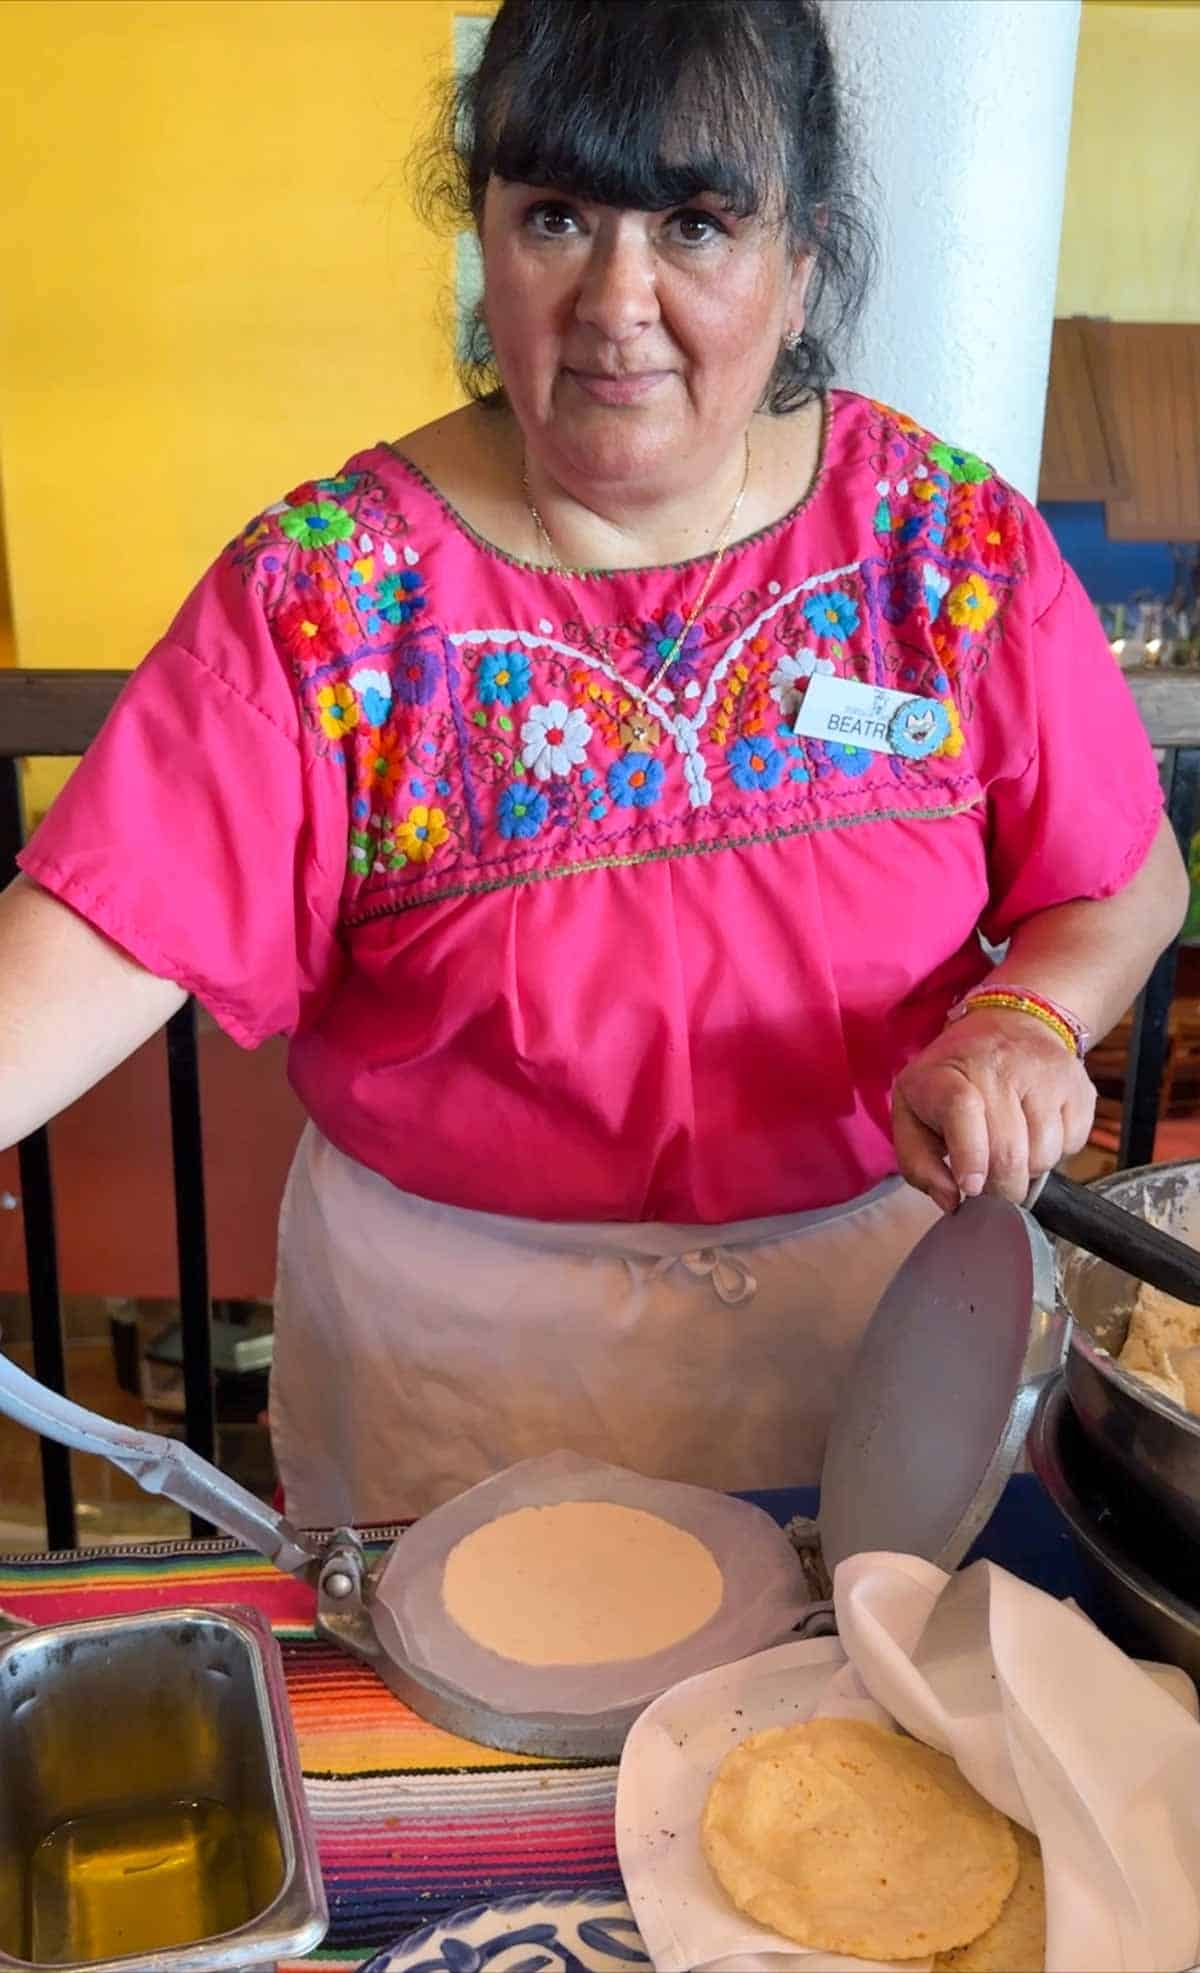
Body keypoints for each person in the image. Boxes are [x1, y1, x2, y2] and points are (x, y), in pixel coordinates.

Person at [0, 0, 1187, 1526]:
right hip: (454, 1400)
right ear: (481, 240)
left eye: (696, 222)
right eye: (556, 214)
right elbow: (72, 960)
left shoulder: (941, 554)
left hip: (864, 1358)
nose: (618, 302)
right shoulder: (328, 601)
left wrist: (1029, 1017)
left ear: (804, 254)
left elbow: (1125, 882)